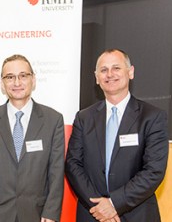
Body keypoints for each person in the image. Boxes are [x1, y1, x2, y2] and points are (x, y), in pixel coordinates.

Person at [65, 49, 169, 222]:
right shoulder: (83, 118)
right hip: (93, 214)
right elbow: (73, 164)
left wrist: (114, 204)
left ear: (130, 72)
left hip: (137, 214)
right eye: (103, 70)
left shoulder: (152, 117)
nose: (110, 74)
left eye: (116, 68)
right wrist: (100, 207)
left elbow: (154, 170)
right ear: (97, 77)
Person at [0, 54, 65, 222]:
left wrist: (51, 212)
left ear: (33, 80)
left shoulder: (53, 120)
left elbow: (56, 172)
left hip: (37, 214)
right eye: (10, 77)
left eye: (23, 75)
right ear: (2, 83)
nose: (17, 83)